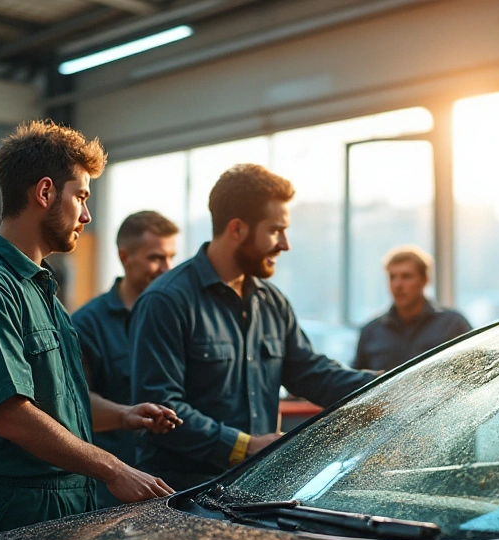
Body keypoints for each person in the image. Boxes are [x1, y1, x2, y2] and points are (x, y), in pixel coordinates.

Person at [0, 120, 177, 540]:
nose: (87, 214)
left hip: (68, 501)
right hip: (19, 510)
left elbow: (61, 404)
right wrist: (115, 469)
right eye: (80, 196)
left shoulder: (41, 288)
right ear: (45, 193)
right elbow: (13, 417)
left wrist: (123, 415)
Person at [129, 163, 377, 489]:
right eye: (275, 230)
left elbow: (312, 373)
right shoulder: (166, 302)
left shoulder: (271, 302)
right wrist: (242, 447)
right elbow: (160, 410)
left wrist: (393, 383)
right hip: (183, 500)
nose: (284, 244)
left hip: (253, 492)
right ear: (237, 229)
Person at [70, 210, 179, 507]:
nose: (166, 269)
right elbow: (76, 405)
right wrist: (125, 414)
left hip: (173, 486)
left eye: (171, 257)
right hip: (112, 493)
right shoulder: (86, 324)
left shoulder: (177, 319)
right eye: (156, 258)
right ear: (124, 256)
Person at [352, 245, 472, 372]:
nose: (397, 285)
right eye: (392, 277)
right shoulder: (370, 332)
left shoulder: (453, 325)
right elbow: (357, 384)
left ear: (424, 280)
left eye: (406, 276)